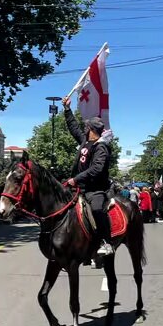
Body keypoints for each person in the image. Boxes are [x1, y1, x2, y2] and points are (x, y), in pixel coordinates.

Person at [63, 95, 114, 256]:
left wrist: (75, 179)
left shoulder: (101, 147)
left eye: (87, 127)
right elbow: (73, 128)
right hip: (78, 187)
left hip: (95, 189)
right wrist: (67, 109)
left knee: (97, 209)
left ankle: (106, 242)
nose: (84, 129)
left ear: (92, 130)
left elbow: (96, 170)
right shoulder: (85, 141)